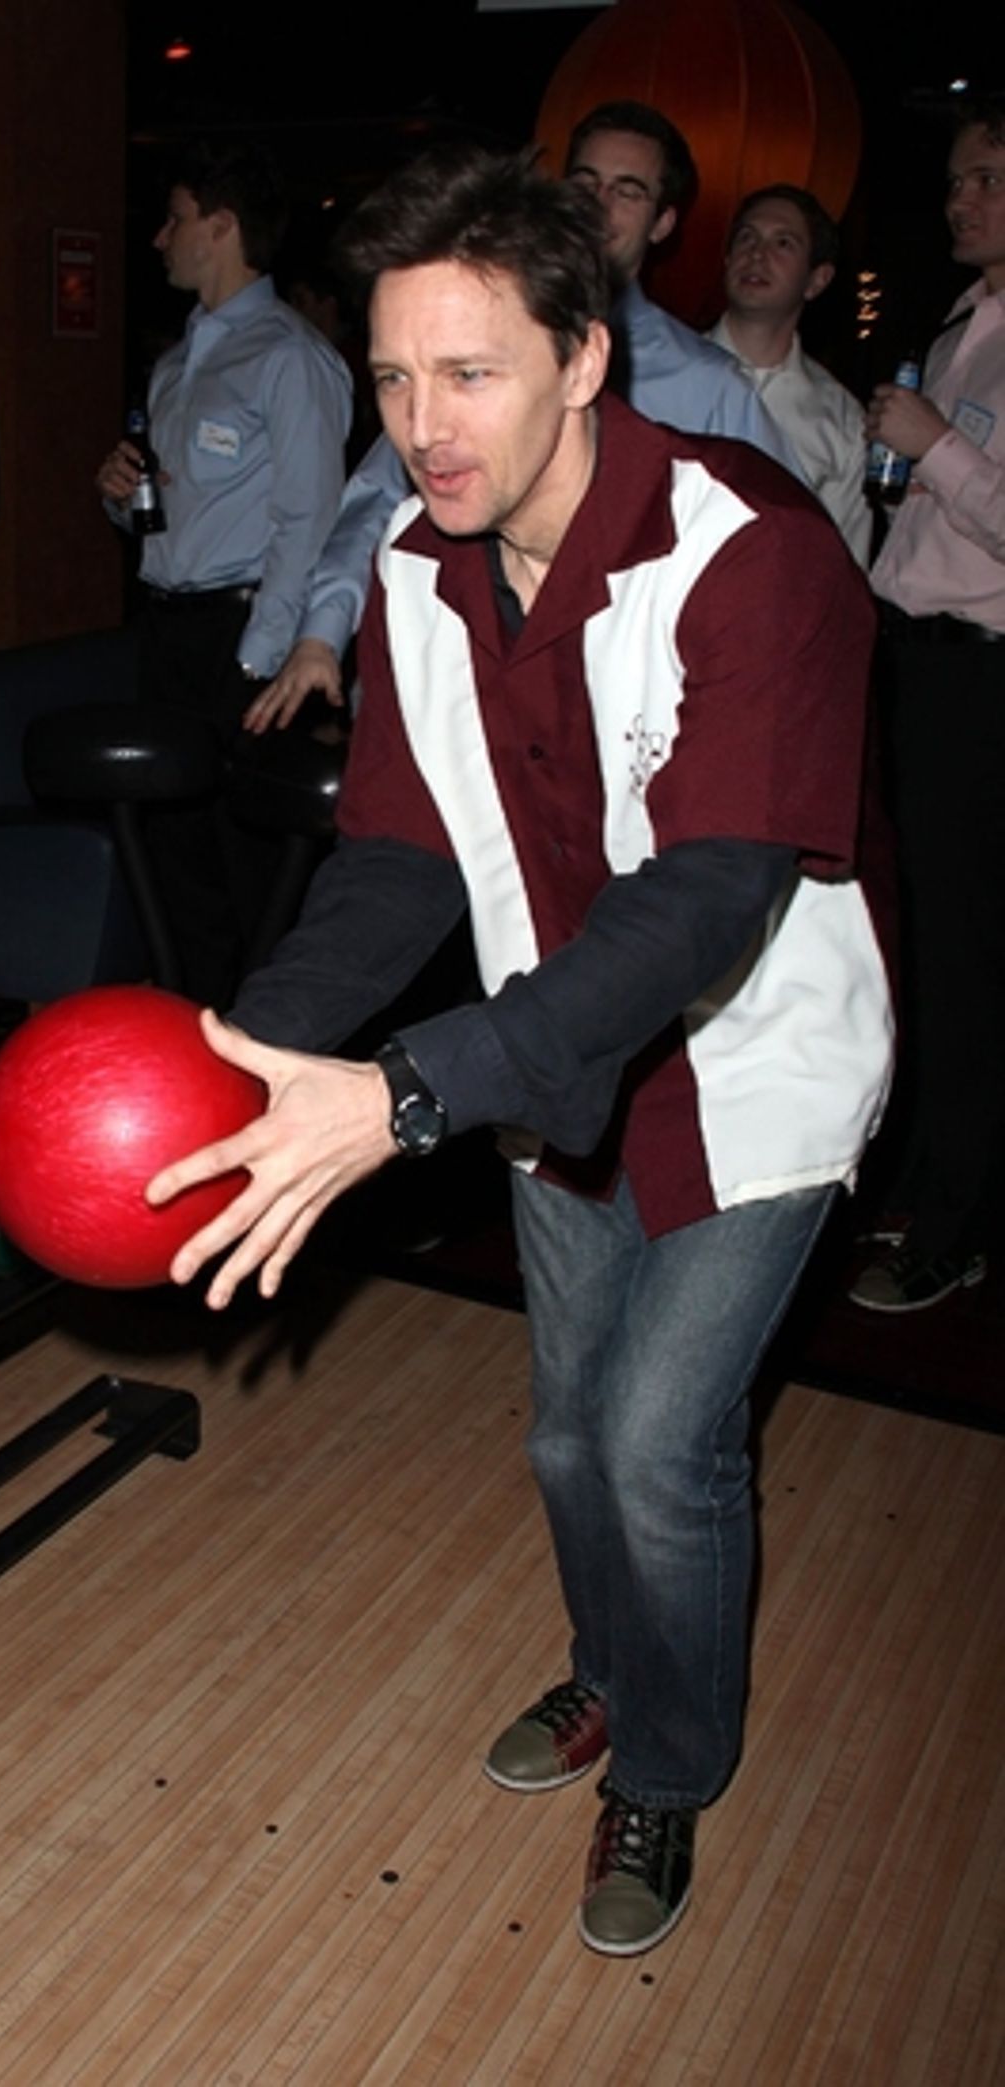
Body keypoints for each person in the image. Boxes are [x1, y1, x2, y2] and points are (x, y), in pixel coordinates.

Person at [144, 149, 892, 1956]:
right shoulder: (413, 569)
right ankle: (609, 1671)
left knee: (652, 1443)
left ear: (584, 356)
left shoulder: (754, 551)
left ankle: (674, 1762)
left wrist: (405, 1090)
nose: (423, 426)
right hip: (541, 1063)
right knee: (566, 1434)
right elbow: (397, 856)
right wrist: (248, 1043)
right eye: (396, 377)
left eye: (470, 373)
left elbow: (707, 900)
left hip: (748, 1067)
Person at [248, 101, 803, 735]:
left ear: (663, 222)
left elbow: (778, 562)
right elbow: (380, 499)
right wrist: (322, 633)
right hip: (461, 693)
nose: (597, 205)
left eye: (627, 191)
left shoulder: (709, 386)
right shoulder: (448, 339)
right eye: (585, 181)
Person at [95, 140, 352, 1005]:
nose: (159, 238)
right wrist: (118, 495)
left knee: (250, 867)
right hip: (168, 626)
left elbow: (311, 521)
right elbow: (171, 515)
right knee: (177, 860)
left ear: (222, 226)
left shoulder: (289, 357)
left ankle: (268, 1049)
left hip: (244, 636)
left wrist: (257, 658)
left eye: (174, 218)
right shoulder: (177, 363)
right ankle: (197, 1044)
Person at [850, 101, 1005, 1313]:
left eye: (988, 177)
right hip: (909, 660)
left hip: (978, 677)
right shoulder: (962, 322)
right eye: (956, 178)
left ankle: (956, 1222)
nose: (961, 198)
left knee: (963, 957)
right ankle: (915, 1177)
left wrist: (937, 444)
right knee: (903, 939)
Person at [707, 185, 872, 562]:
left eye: (783, 243)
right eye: (747, 237)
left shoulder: (842, 419)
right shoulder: (661, 372)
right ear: (727, 258)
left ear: (817, 279)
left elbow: (840, 567)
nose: (757, 254)